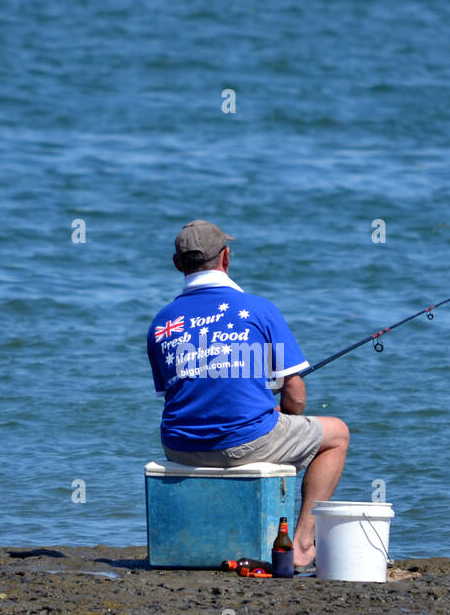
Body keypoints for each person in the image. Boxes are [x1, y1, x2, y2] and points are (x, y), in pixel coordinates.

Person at [147, 219, 349, 568]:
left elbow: (181, 392)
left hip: (179, 446)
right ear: (226, 257)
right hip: (244, 443)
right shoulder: (259, 309)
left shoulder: (162, 322)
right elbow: (296, 397)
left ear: (178, 264)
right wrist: (282, 417)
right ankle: (301, 545)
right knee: (337, 434)